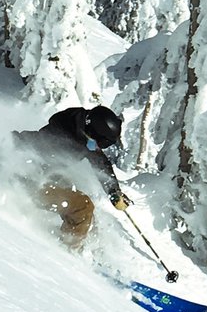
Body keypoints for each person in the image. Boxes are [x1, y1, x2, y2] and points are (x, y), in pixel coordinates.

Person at [7, 102, 129, 248]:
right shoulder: (58, 135)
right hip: (30, 183)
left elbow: (100, 162)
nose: (99, 148)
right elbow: (15, 141)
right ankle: (67, 251)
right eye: (101, 144)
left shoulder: (82, 132)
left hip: (49, 178)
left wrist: (113, 190)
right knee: (84, 207)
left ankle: (86, 246)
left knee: (87, 215)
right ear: (93, 132)